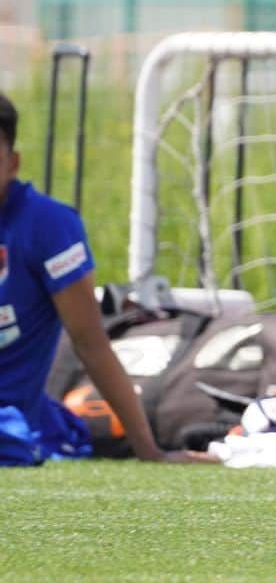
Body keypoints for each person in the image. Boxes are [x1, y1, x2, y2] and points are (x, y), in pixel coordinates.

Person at [0, 92, 192, 465]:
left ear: (12, 163)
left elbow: (90, 342)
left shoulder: (47, 226)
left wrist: (149, 450)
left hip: (14, 425)